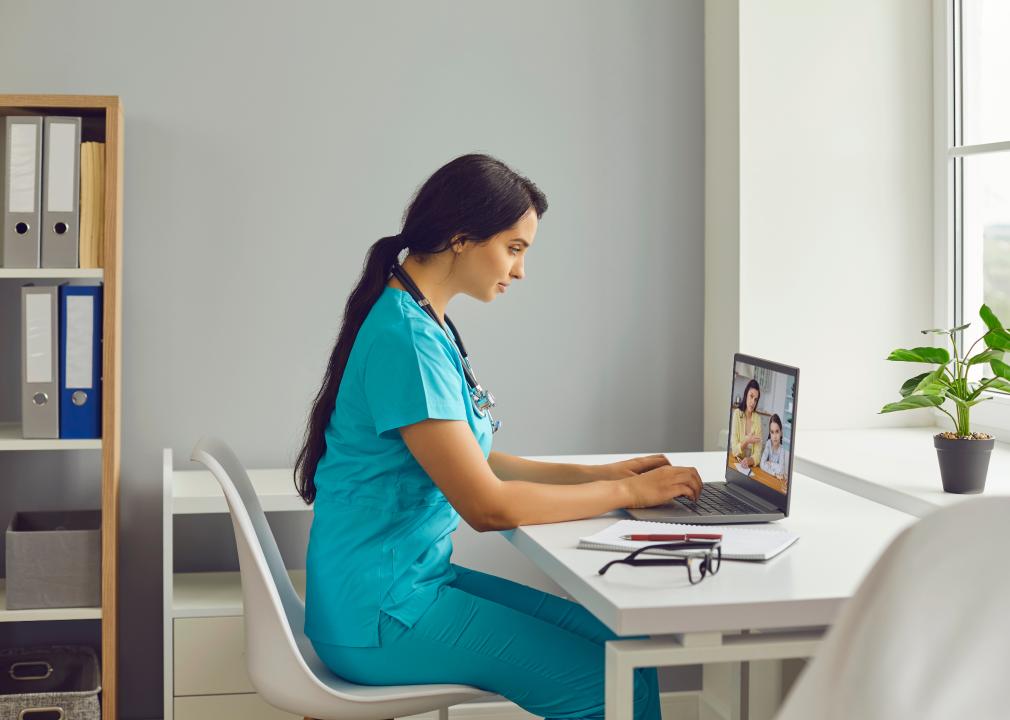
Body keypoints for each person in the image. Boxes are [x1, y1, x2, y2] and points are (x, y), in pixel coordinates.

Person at [294, 154, 703, 720]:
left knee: (627, 645)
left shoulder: (422, 320)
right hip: (382, 614)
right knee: (612, 684)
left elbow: (478, 461)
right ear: (462, 239)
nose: (520, 271)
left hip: (404, 587)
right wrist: (631, 496)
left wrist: (602, 475)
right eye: (514, 249)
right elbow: (486, 506)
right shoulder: (406, 341)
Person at [730, 378, 762, 468]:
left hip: (750, 468)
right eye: (751, 396)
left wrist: (749, 461)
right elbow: (734, 451)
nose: (753, 402)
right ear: (746, 395)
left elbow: (758, 454)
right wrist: (747, 441)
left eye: (756, 399)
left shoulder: (758, 420)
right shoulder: (737, 414)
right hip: (736, 463)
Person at [759, 413, 787, 479]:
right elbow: (762, 464)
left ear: (781, 432)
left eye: (777, 431)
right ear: (770, 433)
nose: (774, 436)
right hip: (769, 477)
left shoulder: (782, 449)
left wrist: (770, 463)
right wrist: (774, 474)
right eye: (772, 432)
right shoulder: (768, 443)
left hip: (777, 481)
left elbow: (781, 470)